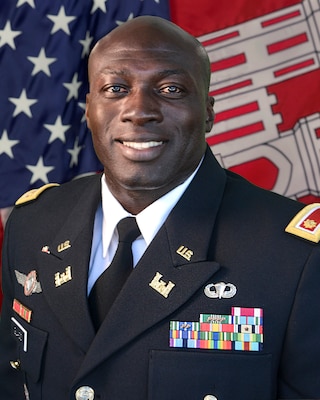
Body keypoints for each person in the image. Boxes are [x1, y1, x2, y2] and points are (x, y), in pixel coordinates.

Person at [0, 15, 319, 400]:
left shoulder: (295, 259)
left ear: (209, 111)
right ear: (89, 109)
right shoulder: (33, 225)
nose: (139, 110)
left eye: (170, 88)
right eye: (116, 88)